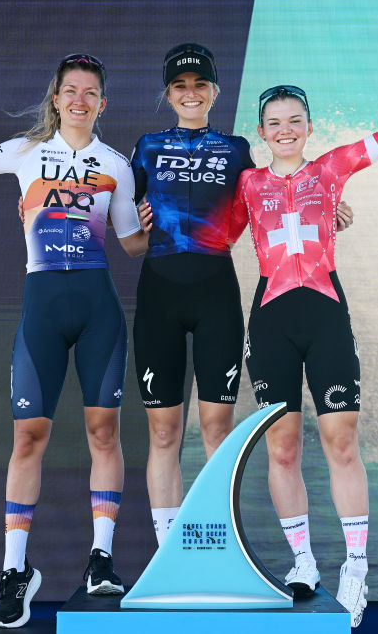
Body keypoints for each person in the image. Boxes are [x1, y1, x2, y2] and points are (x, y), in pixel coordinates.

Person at [0, 49, 148, 629]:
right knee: (28, 439)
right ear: (56, 97)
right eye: (71, 90)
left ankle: (101, 560)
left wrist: (154, 223)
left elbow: (132, 244)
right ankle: (15, 571)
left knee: (103, 432)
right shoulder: (25, 153)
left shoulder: (116, 163)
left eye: (91, 92)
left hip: (98, 311)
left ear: (103, 103)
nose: (80, 100)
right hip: (42, 307)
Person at [233, 36, 378, 627]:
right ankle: (302, 561)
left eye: (294, 121)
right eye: (274, 122)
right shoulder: (247, 183)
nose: (285, 129)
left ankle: (354, 568)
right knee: (282, 448)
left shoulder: (332, 169)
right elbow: (203, 231)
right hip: (271, 318)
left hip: (326, 312)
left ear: (308, 126)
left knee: (341, 443)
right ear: (262, 130)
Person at [128, 44, 354, 546]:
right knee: (163, 433)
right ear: (168, 94)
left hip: (215, 295)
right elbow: (124, 236)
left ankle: (218, 542)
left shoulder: (235, 151)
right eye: (180, 85)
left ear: (214, 92)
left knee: (216, 428)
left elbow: (277, 197)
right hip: (159, 293)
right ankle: (169, 550)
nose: (191, 93)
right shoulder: (145, 147)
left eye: (200, 85)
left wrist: (327, 211)